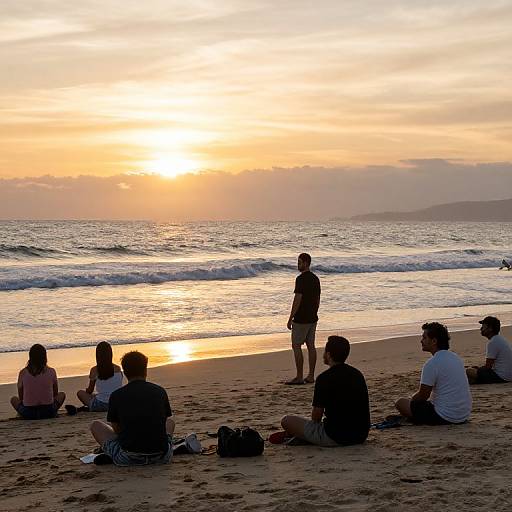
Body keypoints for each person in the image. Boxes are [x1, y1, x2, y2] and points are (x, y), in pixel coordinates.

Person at [281, 336, 370, 446]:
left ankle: (306, 437)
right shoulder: (357, 374)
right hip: (361, 435)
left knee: (287, 421)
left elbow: (316, 417)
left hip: (335, 437)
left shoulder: (324, 379)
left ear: (328, 354)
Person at [90, 351, 174, 466]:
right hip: (161, 456)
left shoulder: (116, 395)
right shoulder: (159, 391)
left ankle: (111, 454)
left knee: (96, 425)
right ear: (145, 370)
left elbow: (117, 429)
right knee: (170, 422)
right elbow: (164, 420)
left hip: (129, 457)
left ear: (125, 372)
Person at [395, 322, 472, 425]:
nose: (421, 341)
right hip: (463, 415)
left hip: (444, 416)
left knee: (400, 403)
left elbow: (423, 396)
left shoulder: (432, 363)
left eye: (424, 338)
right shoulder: (455, 358)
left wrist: (412, 400)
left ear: (434, 341)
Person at [286, 252, 321, 385]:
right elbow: (318, 299)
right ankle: (311, 375)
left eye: (299, 262)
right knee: (311, 345)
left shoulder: (300, 279)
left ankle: (299, 376)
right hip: (313, 317)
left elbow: (297, 299)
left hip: (301, 318)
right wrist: (315, 312)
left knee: (296, 345)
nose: (298, 265)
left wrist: (290, 318)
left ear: (306, 263)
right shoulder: (315, 279)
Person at [10, 344, 66, 420]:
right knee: (61, 395)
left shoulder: (23, 372)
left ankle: (23, 414)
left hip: (29, 413)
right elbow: (55, 393)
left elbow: (21, 397)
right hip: (48, 411)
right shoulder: (51, 371)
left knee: (13, 399)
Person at [77, 341, 123, 412]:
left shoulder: (95, 370)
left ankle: (91, 407)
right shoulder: (118, 368)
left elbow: (90, 390)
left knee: (80, 393)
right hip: (116, 404)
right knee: (97, 395)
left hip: (100, 405)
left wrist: (87, 390)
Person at [466, 316, 512, 384]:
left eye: (483, 327)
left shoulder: (493, 342)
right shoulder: (499, 339)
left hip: (501, 377)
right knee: (472, 376)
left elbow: (488, 367)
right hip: (507, 376)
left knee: (469, 371)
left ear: (490, 329)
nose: (481, 329)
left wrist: (478, 369)